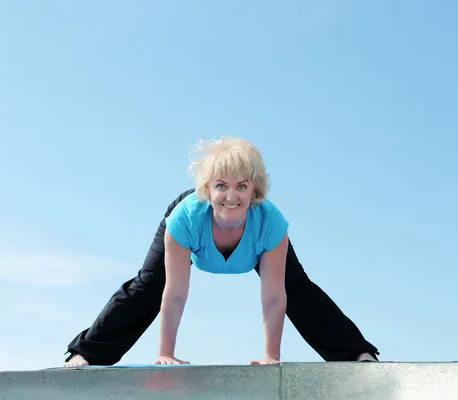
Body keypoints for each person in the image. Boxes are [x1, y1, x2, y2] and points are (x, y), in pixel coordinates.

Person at [64, 136, 379, 366]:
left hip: (261, 236)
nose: (231, 196)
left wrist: (272, 357)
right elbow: (174, 294)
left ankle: (357, 354)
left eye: (241, 186)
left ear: (254, 190)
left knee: (296, 289)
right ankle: (86, 354)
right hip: (189, 226)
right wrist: (165, 354)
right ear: (207, 189)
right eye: (221, 186)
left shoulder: (270, 223)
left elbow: (274, 297)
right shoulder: (184, 220)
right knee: (149, 284)